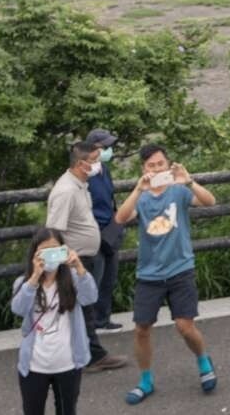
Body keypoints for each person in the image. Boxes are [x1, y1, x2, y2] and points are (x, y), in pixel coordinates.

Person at [114, 144, 219, 405]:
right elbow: (121, 218)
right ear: (144, 169)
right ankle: (146, 380)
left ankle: (203, 360)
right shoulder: (143, 196)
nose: (156, 169)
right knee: (141, 328)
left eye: (160, 164)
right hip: (148, 273)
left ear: (168, 165)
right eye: (151, 165)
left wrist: (190, 181)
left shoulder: (179, 191)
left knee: (185, 326)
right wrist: (138, 189)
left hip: (180, 268)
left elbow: (210, 201)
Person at [46, 142, 128, 373]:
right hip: (77, 259)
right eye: (95, 159)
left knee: (84, 307)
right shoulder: (66, 191)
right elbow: (53, 231)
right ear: (82, 164)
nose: (99, 163)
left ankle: (85, 354)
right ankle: (92, 356)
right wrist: (63, 262)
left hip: (88, 256)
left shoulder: (80, 185)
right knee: (84, 307)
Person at [10, 228, 98, 415]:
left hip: (68, 362)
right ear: (35, 254)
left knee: (67, 410)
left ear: (64, 251)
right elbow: (17, 309)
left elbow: (90, 297)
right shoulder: (23, 283)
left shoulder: (73, 279)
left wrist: (79, 267)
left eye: (55, 250)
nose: (50, 257)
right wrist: (34, 277)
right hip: (34, 364)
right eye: (44, 252)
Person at [85, 127, 123, 331]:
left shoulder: (104, 170)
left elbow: (109, 198)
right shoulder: (84, 173)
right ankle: (90, 324)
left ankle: (103, 318)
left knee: (109, 278)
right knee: (94, 280)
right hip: (92, 233)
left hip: (109, 230)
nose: (109, 149)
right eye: (105, 146)